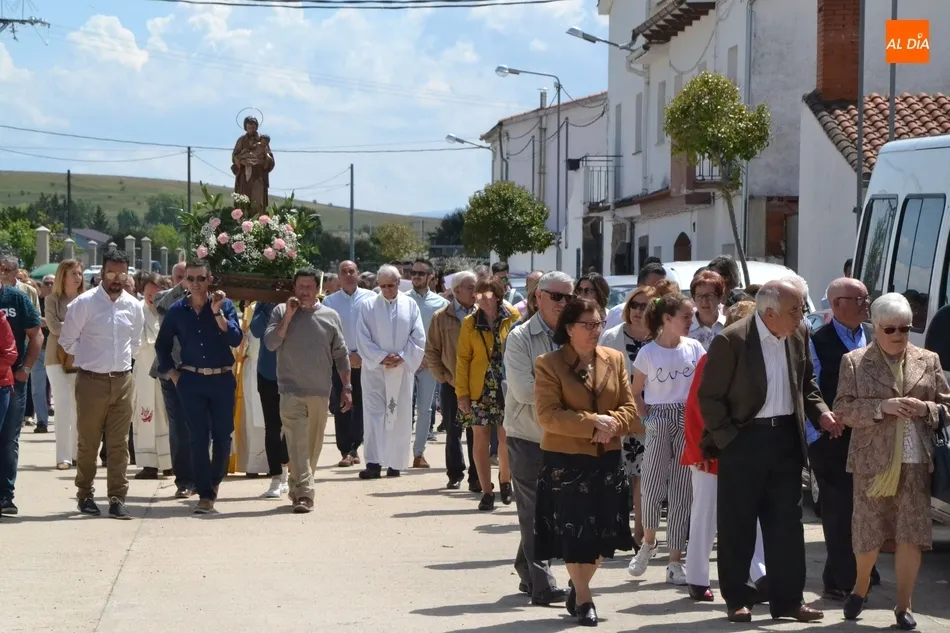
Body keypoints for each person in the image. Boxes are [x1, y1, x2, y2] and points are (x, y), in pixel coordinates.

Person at [698, 276, 829, 623]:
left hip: (785, 439)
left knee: (787, 525)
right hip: (744, 439)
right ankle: (738, 599)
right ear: (770, 314)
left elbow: (807, 384)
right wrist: (729, 439)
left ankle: (789, 602)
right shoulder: (732, 340)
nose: (801, 317)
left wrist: (822, 414)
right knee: (738, 524)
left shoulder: (798, 335)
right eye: (794, 310)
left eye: (801, 309)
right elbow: (709, 398)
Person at [834, 293, 950, 630]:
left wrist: (925, 409)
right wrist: (880, 408)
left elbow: (946, 407)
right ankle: (860, 586)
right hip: (872, 463)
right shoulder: (854, 361)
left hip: (915, 462)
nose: (899, 335)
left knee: (910, 534)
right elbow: (842, 409)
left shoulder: (928, 359)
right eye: (891, 329)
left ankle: (903, 605)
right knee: (869, 532)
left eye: (905, 328)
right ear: (876, 328)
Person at [534, 296, 638, 627]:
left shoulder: (614, 358)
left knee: (603, 536)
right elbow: (548, 415)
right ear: (569, 328)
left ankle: (578, 585)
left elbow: (630, 408)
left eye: (599, 324)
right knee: (574, 535)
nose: (596, 330)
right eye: (588, 325)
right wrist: (593, 423)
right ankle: (584, 598)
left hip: (607, 460)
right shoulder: (549, 363)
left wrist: (613, 424)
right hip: (566, 462)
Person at [681, 300, 768, 602]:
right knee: (704, 517)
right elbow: (695, 411)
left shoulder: (763, 360)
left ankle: (760, 574)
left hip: (748, 454)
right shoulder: (712, 359)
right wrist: (701, 453)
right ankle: (696, 577)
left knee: (753, 517)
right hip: (713, 454)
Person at [503, 270, 574, 606]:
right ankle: (542, 585)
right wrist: (568, 396)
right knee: (534, 511)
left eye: (569, 297)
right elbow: (522, 390)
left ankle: (526, 567)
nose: (563, 303)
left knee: (552, 510)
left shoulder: (575, 334)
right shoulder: (519, 337)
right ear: (538, 297)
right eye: (556, 296)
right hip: (527, 436)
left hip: (564, 436)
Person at [627, 293, 704, 585]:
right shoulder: (648, 352)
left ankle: (675, 560)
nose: (690, 320)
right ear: (668, 319)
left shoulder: (695, 348)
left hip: (688, 417)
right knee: (651, 483)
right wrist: (647, 418)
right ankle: (648, 542)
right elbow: (636, 391)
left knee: (682, 490)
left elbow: (703, 385)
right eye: (686, 316)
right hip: (658, 416)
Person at [59, 250, 143, 519]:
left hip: (123, 381)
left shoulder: (134, 306)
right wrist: (91, 357)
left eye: (122, 274)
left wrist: (117, 363)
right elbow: (67, 341)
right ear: (101, 273)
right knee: (89, 442)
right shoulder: (84, 304)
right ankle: (85, 494)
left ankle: (117, 498)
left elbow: (136, 343)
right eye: (111, 273)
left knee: (119, 444)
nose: (116, 279)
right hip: (91, 382)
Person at [155, 260, 242, 514]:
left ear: (209, 279)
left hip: (221, 379)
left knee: (223, 436)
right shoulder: (177, 310)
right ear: (184, 281)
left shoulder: (224, 305)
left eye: (200, 278)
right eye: (190, 278)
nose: (195, 283)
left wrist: (217, 313)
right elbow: (162, 345)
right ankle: (205, 493)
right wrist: (173, 373)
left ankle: (214, 481)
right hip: (191, 381)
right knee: (197, 438)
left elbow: (235, 338)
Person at [808, 277, 876, 600]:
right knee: (838, 507)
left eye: (866, 298)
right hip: (832, 436)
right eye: (859, 299)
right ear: (837, 305)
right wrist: (818, 429)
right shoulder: (817, 341)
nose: (866, 304)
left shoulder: (874, 335)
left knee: (863, 506)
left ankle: (845, 571)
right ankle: (845, 580)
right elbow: (809, 387)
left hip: (870, 435)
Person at [264, 268, 351, 513]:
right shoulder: (280, 311)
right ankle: (305, 494)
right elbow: (271, 343)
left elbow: (341, 355)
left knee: (311, 446)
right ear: (294, 288)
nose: (304, 291)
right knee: (296, 442)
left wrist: (347, 387)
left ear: (317, 289)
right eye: (300, 287)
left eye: (309, 287)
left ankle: (297, 487)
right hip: (290, 390)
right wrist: (289, 316)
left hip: (319, 391)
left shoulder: (331, 316)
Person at [355, 264, 426, 479]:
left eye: (391, 285)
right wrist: (380, 357)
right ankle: (374, 462)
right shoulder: (368, 305)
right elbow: (362, 336)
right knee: (374, 414)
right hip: (375, 370)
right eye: (383, 286)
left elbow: (418, 335)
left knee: (399, 414)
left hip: (401, 369)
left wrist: (403, 356)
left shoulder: (410, 305)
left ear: (398, 283)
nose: (387, 290)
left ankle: (395, 463)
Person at [598, 285, 655, 549]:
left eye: (645, 306)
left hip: (649, 416)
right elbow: (600, 378)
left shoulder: (660, 338)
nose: (638, 311)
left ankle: (640, 534)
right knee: (617, 477)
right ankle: (615, 531)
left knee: (644, 479)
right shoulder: (611, 337)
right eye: (634, 305)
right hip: (616, 415)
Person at [456, 277, 519, 511]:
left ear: (498, 295)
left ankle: (505, 480)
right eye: (478, 295)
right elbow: (463, 359)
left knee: (505, 437)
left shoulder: (513, 317)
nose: (482, 300)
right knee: (480, 438)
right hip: (479, 389)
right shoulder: (470, 322)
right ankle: (486, 491)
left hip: (506, 387)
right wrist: (462, 394)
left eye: (487, 295)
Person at [425, 271, 479, 490]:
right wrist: (444, 377)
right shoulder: (441, 316)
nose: (476, 292)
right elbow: (432, 350)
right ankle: (455, 473)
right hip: (451, 383)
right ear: (457, 290)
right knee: (453, 431)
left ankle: (477, 476)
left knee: (477, 432)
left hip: (478, 384)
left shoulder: (482, 314)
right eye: (471, 287)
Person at [0, 256, 43, 516]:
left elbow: (36, 335)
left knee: (8, 439)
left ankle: (6, 495)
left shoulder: (16, 298)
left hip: (12, 380)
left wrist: (25, 369)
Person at [324, 260, 375, 467]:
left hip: (365, 360)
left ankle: (356, 446)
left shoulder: (371, 298)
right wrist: (346, 355)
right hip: (340, 360)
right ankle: (345, 450)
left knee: (361, 405)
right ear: (338, 277)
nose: (348, 274)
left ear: (358, 274)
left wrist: (361, 354)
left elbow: (375, 330)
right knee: (342, 404)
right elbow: (328, 333)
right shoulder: (330, 302)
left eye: (351, 271)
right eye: (344, 272)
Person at [151, 262, 195, 498]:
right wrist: (183, 287)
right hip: (172, 371)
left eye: (190, 276)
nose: (186, 280)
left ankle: (201, 475)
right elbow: (164, 308)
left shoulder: (204, 297)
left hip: (200, 370)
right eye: (180, 276)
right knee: (179, 426)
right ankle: (184, 481)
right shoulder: (163, 297)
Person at [407, 258, 448, 469]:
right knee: (401, 409)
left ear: (431, 277)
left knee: (425, 409)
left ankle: (418, 453)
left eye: (420, 273)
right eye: (413, 272)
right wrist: (412, 356)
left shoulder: (441, 304)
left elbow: (443, 336)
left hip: (429, 363)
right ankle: (397, 453)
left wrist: (427, 358)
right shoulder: (402, 299)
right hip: (405, 362)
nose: (415, 276)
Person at [131, 274, 172, 480]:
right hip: (145, 370)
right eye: (148, 294)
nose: (151, 299)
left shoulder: (170, 310)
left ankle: (170, 462)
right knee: (145, 415)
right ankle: (149, 464)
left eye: (155, 295)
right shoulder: (136, 310)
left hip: (167, 370)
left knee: (167, 415)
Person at [45, 260, 83, 470]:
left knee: (79, 406)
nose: (77, 277)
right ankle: (63, 457)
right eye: (73, 274)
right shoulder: (52, 300)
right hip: (55, 357)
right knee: (62, 404)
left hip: (82, 358)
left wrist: (66, 325)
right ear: (63, 276)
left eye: (79, 273)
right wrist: (77, 326)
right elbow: (53, 327)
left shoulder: (87, 299)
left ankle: (77, 453)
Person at [250, 302, 290, 498]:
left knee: (291, 426)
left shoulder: (296, 301)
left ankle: (286, 470)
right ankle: (275, 476)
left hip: (292, 373)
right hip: (267, 373)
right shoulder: (262, 304)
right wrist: (267, 307)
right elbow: (256, 330)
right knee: (272, 428)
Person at [605, 263, 667, 330]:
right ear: (640, 286)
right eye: (654, 288)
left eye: (663, 288)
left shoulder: (668, 317)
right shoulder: (617, 314)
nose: (659, 293)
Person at [689, 270, 726, 350]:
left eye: (709, 296)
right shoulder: (685, 326)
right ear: (694, 298)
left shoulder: (728, 324)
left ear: (720, 298)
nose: (704, 301)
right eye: (699, 296)